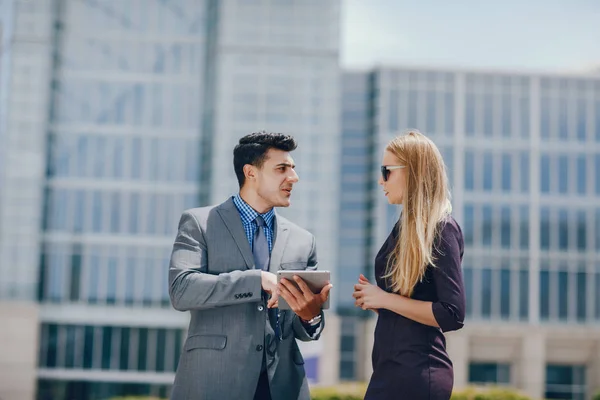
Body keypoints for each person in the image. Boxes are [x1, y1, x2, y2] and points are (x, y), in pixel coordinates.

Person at [168, 131, 332, 400]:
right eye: (282, 169)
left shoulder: (304, 241)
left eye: (293, 168)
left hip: (282, 388)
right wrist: (256, 279)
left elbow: (304, 329)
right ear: (250, 172)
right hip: (213, 382)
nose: (293, 177)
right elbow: (181, 289)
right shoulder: (200, 223)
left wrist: (310, 314)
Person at [353, 130, 466, 400]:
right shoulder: (404, 229)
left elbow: (452, 314)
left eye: (387, 170)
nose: (381, 180)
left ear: (413, 171)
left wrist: (386, 299)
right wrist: (378, 302)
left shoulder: (442, 229)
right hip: (390, 370)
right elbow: (410, 305)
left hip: (418, 374)